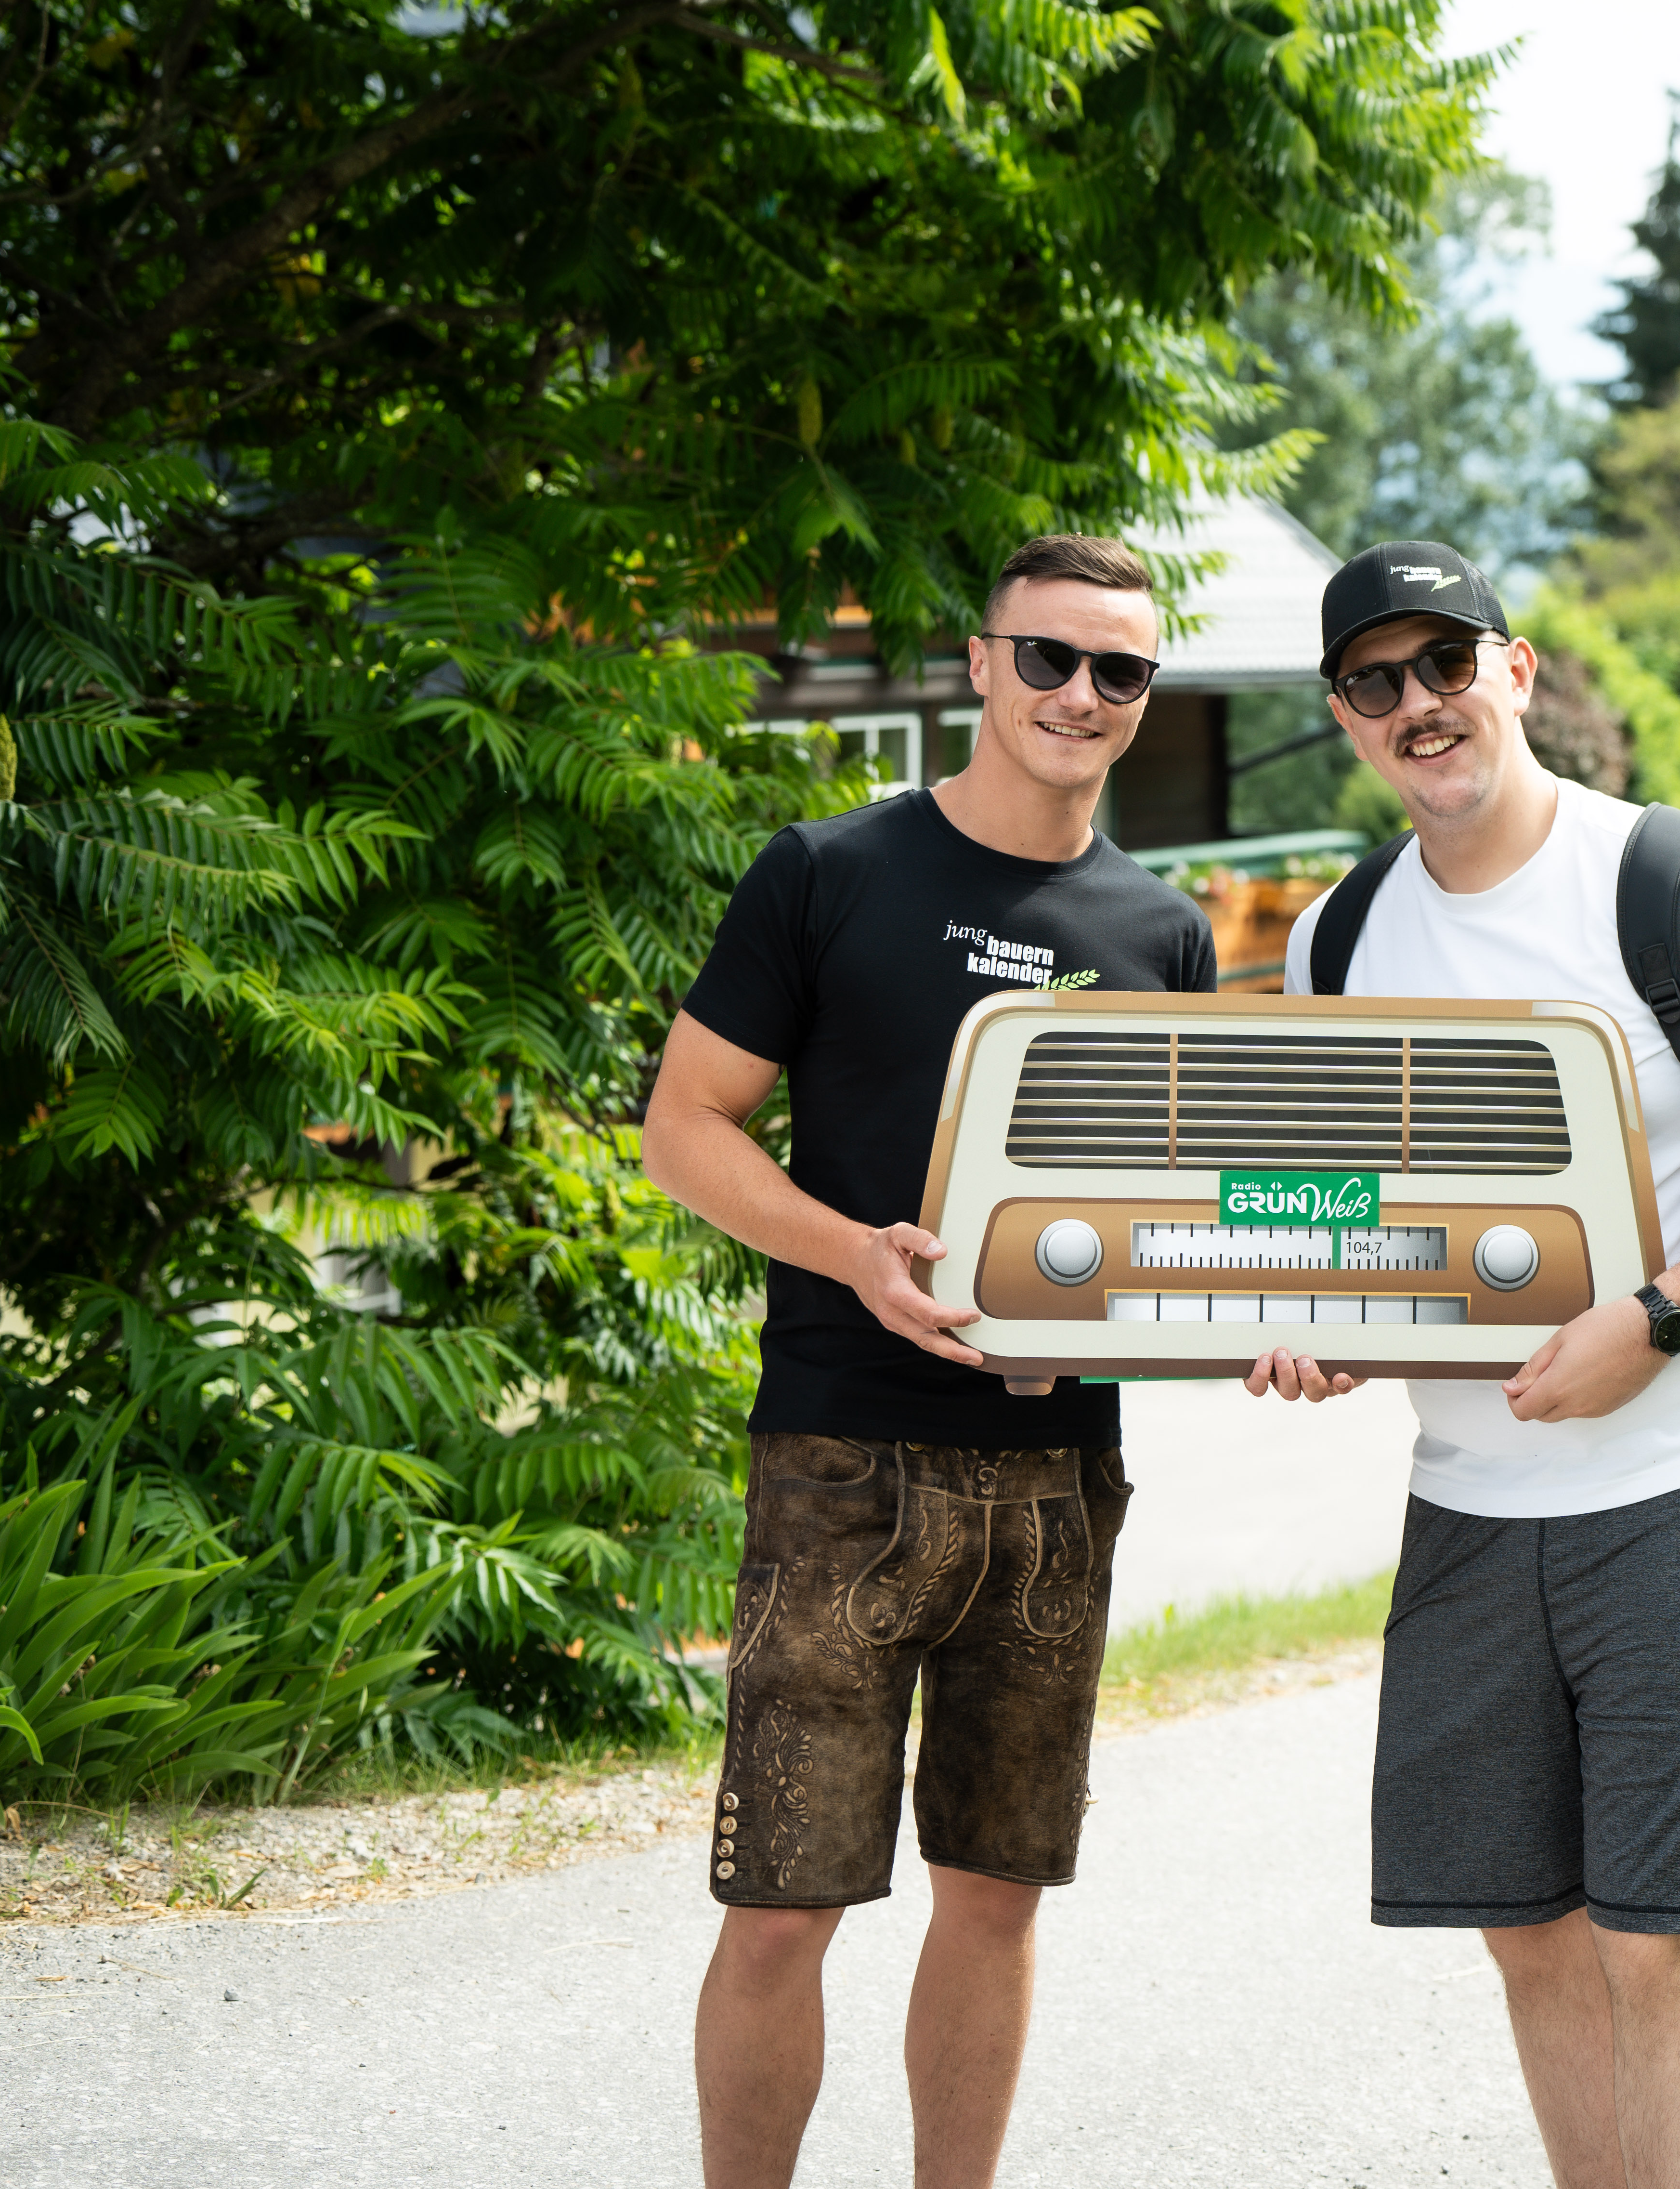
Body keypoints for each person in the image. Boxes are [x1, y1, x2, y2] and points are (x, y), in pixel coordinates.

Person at [1247, 540, 1680, 2189]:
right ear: (1344, 715)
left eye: (1446, 662)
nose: (1418, 702)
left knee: (1663, 1940)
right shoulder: (1337, 938)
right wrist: (1320, 1315)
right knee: (1529, 1930)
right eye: (1375, 681)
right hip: (1475, 1496)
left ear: (1516, 672)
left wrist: (1657, 1320)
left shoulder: (1667, 885)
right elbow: (1348, 1209)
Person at [639, 534, 1215, 2189]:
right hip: (840, 1462)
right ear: (979, 663)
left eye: (1120, 670)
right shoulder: (828, 871)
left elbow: (1182, 1212)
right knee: (781, 1906)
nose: (1081, 694)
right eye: (1049, 657)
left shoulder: (1163, 933)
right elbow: (686, 1128)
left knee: (997, 1898)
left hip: (1057, 1479)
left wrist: (1260, 1320)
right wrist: (854, 1257)